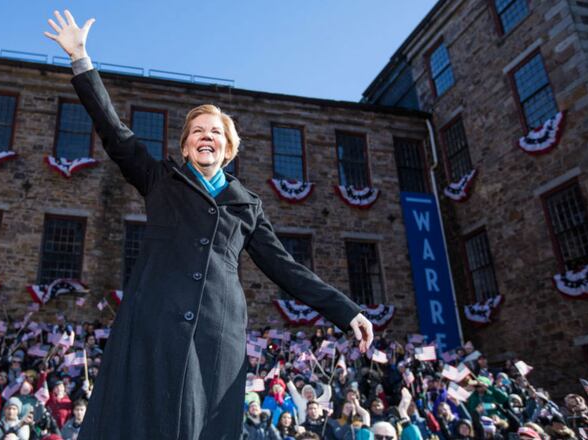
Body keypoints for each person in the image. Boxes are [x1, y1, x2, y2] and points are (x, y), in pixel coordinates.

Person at [42, 8, 374, 440]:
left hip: (217, 336)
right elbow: (115, 132)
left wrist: (346, 311)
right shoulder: (160, 180)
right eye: (197, 130)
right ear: (185, 145)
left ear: (229, 148)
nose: (206, 136)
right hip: (154, 327)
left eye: (215, 132)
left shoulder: (247, 205)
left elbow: (287, 269)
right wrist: (81, 61)